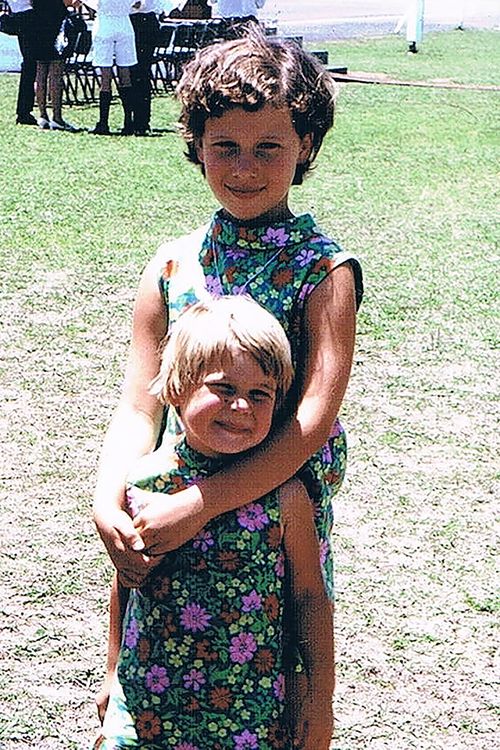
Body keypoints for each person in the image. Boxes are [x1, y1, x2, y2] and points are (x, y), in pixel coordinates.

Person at [93, 24, 363, 732]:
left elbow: (309, 423)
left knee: (260, 698)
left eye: (268, 147)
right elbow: (137, 406)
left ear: (305, 146)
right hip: (166, 509)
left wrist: (205, 504)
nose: (244, 167)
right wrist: (107, 497)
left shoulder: (324, 272)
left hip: (271, 508)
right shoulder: (173, 265)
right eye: (226, 147)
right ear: (197, 146)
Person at [95, 296, 334, 747]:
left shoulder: (284, 496)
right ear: (178, 387)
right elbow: (126, 580)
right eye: (224, 389)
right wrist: (111, 671)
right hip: (148, 705)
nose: (241, 407)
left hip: (251, 712)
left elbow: (309, 596)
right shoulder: (146, 481)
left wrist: (320, 700)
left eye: (259, 394)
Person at [91, 0, 138, 135]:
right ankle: (128, 122)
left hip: (104, 23)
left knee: (105, 77)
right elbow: (138, 4)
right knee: (125, 73)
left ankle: (103, 123)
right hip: (124, 23)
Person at [32, 0, 81, 130]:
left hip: (38, 24)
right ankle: (57, 117)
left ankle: (42, 115)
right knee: (56, 74)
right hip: (56, 24)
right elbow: (69, 2)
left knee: (40, 72)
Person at [128, 0, 160, 135]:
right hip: (131, 20)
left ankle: (141, 121)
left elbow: (139, 4)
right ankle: (133, 119)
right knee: (131, 74)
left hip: (142, 21)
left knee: (140, 73)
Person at [7, 0, 37, 125]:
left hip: (20, 15)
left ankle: (24, 110)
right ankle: (24, 111)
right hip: (29, 17)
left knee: (29, 64)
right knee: (31, 65)